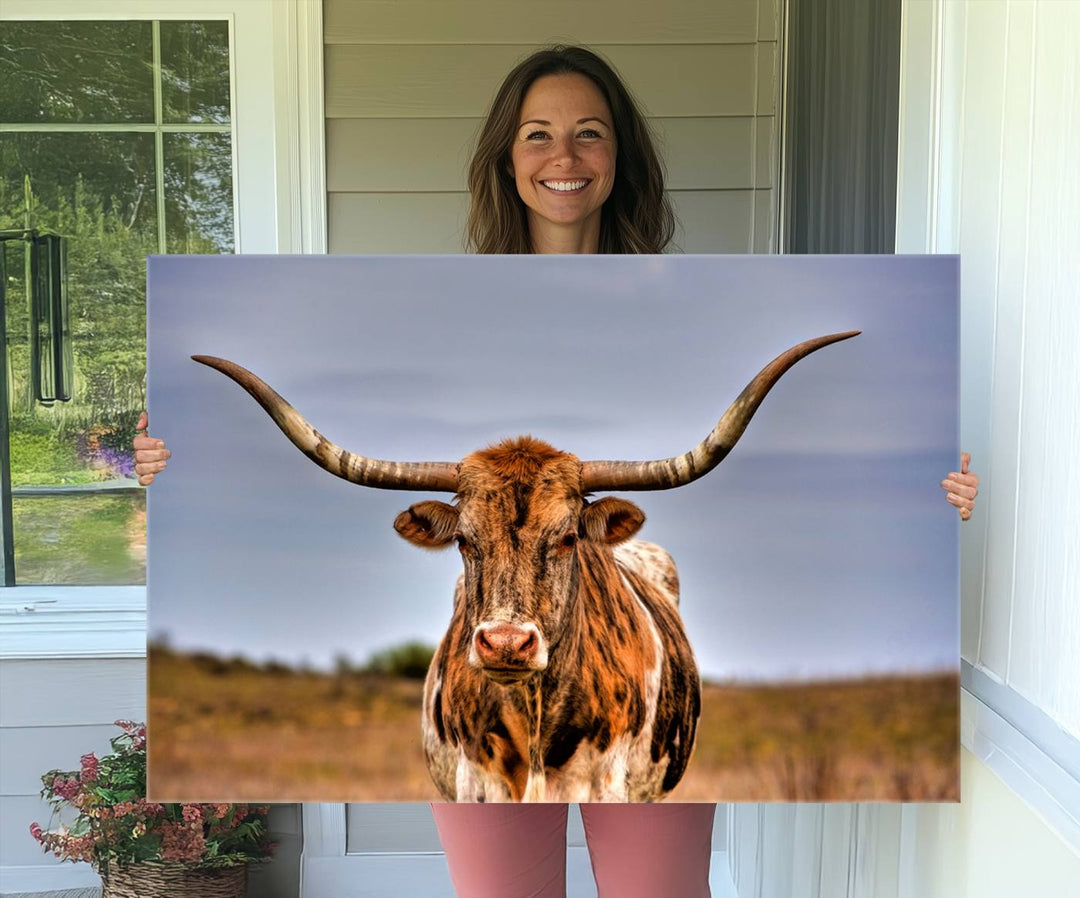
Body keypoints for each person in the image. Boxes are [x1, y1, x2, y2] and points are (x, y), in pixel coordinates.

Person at [133, 45, 979, 898]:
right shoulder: (437, 306)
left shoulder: (697, 298)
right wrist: (176, 469)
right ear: (508, 156)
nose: (563, 158)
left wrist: (933, 498)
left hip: (616, 664)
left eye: (589, 134)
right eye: (537, 135)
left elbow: (814, 453)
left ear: (620, 158)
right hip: (488, 668)